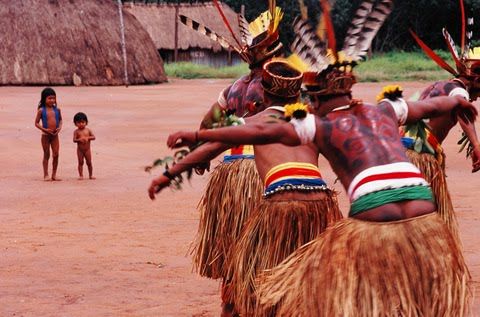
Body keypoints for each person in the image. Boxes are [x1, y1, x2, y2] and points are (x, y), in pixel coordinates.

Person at [167, 2, 475, 315]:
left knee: (244, 252)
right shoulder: (297, 91)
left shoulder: (233, 90)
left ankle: (237, 299)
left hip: (237, 174)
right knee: (300, 256)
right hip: (286, 175)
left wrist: (196, 153)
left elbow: (214, 126)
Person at [151, 60, 342, 316]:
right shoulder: (310, 121)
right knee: (311, 279)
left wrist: (168, 175)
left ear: (263, 92)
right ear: (297, 94)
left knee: (251, 278)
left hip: (281, 200)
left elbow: (211, 147)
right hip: (321, 202)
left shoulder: (255, 120)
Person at [176, 5, 285, 315]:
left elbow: (206, 126)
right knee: (265, 249)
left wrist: (200, 159)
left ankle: (232, 303)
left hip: (230, 176)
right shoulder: (281, 89)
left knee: (234, 249)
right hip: (266, 174)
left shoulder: (233, 89)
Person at [405, 1, 480, 238]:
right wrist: (477, 146)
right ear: (475, 77)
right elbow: (461, 108)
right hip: (420, 154)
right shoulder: (458, 91)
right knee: (428, 218)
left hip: (403, 149)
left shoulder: (437, 86)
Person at [34, 87, 62, 181]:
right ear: (44, 99)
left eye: (53, 98)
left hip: (55, 136)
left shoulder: (57, 110)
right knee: (47, 154)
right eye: (49, 98)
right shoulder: (41, 110)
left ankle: (54, 174)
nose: (52, 100)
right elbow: (36, 123)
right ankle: (46, 174)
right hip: (45, 136)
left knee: (56, 154)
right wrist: (45, 130)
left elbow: (61, 120)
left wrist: (59, 128)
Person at [73, 112, 96, 180]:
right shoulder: (76, 131)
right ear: (75, 123)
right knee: (80, 162)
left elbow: (94, 137)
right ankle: (81, 175)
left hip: (87, 150)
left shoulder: (88, 130)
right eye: (79, 123)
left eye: (83, 122)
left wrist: (88, 138)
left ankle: (90, 175)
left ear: (86, 122)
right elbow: (74, 140)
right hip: (80, 150)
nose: (81, 124)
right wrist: (79, 139)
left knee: (89, 162)